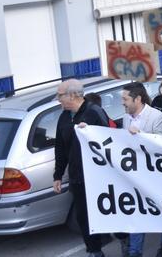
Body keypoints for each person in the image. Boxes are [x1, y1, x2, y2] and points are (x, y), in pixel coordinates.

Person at [52, 79, 110, 257]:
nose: (58, 99)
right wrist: (58, 175)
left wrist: (91, 131)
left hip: (99, 177)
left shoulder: (94, 112)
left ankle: (124, 239)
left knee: (107, 213)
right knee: (83, 216)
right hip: (78, 177)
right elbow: (60, 147)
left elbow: (109, 141)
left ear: (73, 95)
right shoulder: (64, 117)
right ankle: (94, 251)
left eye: (60, 95)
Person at [117, 82, 162, 257]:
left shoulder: (157, 118)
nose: (122, 103)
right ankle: (135, 252)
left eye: (125, 99)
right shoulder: (126, 118)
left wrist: (139, 136)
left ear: (137, 99)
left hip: (157, 177)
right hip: (135, 177)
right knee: (137, 212)